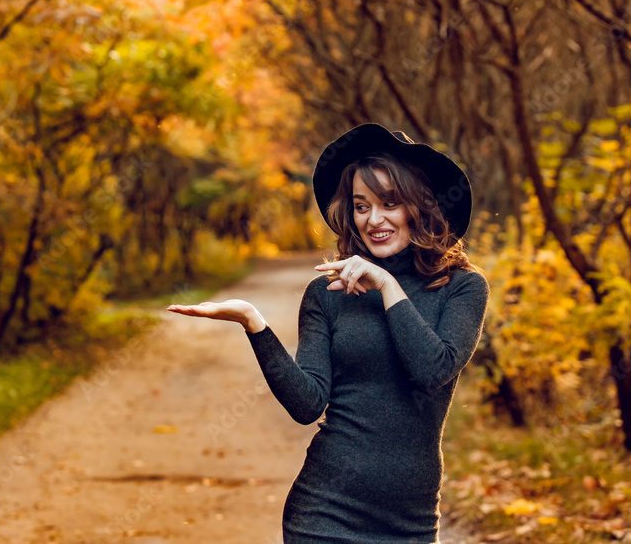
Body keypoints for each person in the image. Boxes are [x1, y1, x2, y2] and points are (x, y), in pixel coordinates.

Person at [166, 122, 490, 543]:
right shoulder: (328, 294)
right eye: (360, 206)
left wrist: (387, 286)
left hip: (410, 523)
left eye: (389, 203)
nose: (374, 219)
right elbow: (308, 403)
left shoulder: (461, 287)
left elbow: (431, 370)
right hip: (322, 514)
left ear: (420, 204)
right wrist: (254, 324)